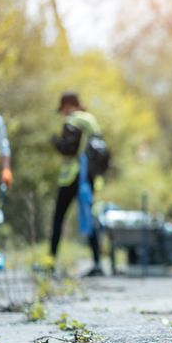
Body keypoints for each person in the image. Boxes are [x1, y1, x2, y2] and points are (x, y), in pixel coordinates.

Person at [50, 92, 103, 277]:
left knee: (58, 218)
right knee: (89, 217)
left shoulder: (72, 121)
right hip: (89, 177)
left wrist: (56, 143)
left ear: (66, 105)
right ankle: (98, 263)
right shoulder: (91, 120)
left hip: (72, 175)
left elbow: (69, 148)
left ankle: (50, 263)